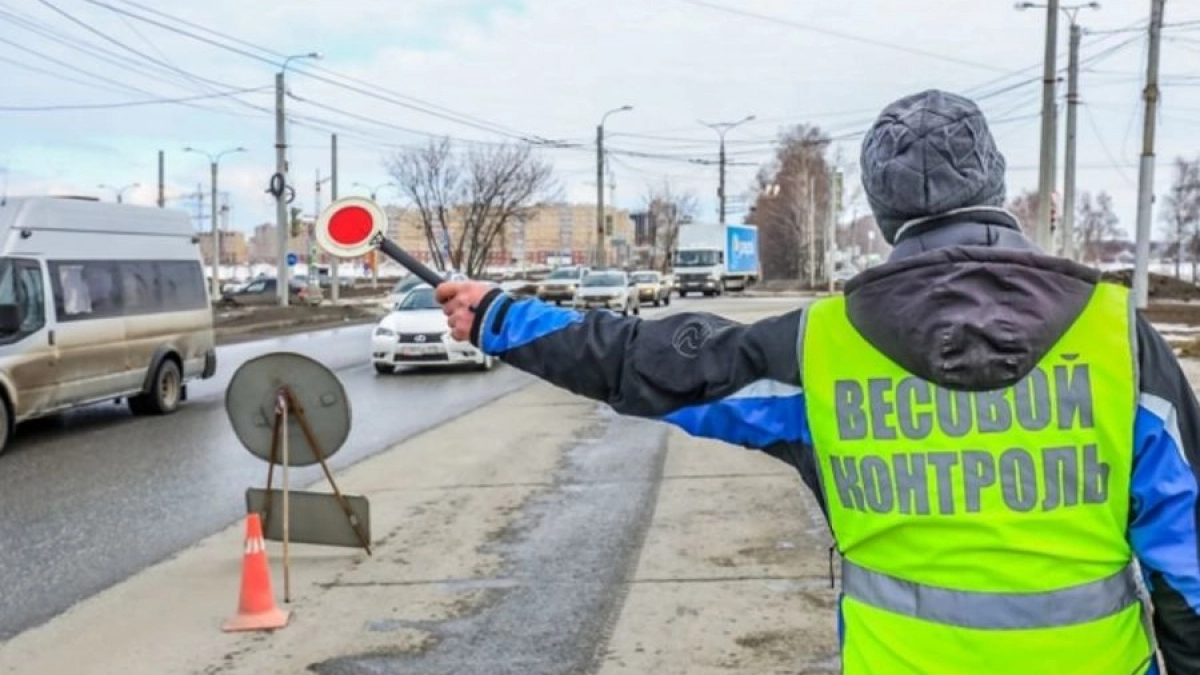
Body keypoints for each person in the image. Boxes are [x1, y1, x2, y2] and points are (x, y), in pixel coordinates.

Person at [436, 89, 1200, 674]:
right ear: (997, 186)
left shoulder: (821, 347)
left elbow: (650, 361)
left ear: (881, 206)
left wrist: (503, 315)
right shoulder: (1115, 339)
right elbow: (1189, 565)